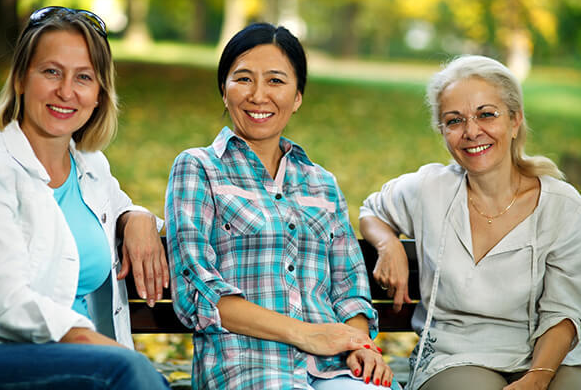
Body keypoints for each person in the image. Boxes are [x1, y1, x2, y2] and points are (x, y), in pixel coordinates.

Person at [165, 23, 400, 390]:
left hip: (334, 368)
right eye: (243, 79)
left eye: (276, 81)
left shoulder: (322, 183)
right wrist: (306, 335)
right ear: (223, 91)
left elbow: (350, 287)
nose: (259, 95)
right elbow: (197, 293)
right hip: (247, 367)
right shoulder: (198, 169)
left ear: (298, 97)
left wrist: (360, 346)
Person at [359, 55, 581, 390]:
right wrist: (389, 243)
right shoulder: (430, 188)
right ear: (443, 131)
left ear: (515, 119)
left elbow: (563, 310)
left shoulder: (562, 205)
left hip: (549, 356)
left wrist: (538, 377)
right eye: (454, 121)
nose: (472, 132)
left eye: (486, 114)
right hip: (457, 354)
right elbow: (371, 211)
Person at [0, 6, 170, 389]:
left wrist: (137, 216)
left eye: (83, 77)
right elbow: (4, 300)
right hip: (0, 355)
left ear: (99, 94)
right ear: (20, 78)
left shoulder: (91, 168)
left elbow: (116, 207)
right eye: (51, 72)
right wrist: (97, 345)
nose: (66, 91)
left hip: (82, 366)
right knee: (131, 372)